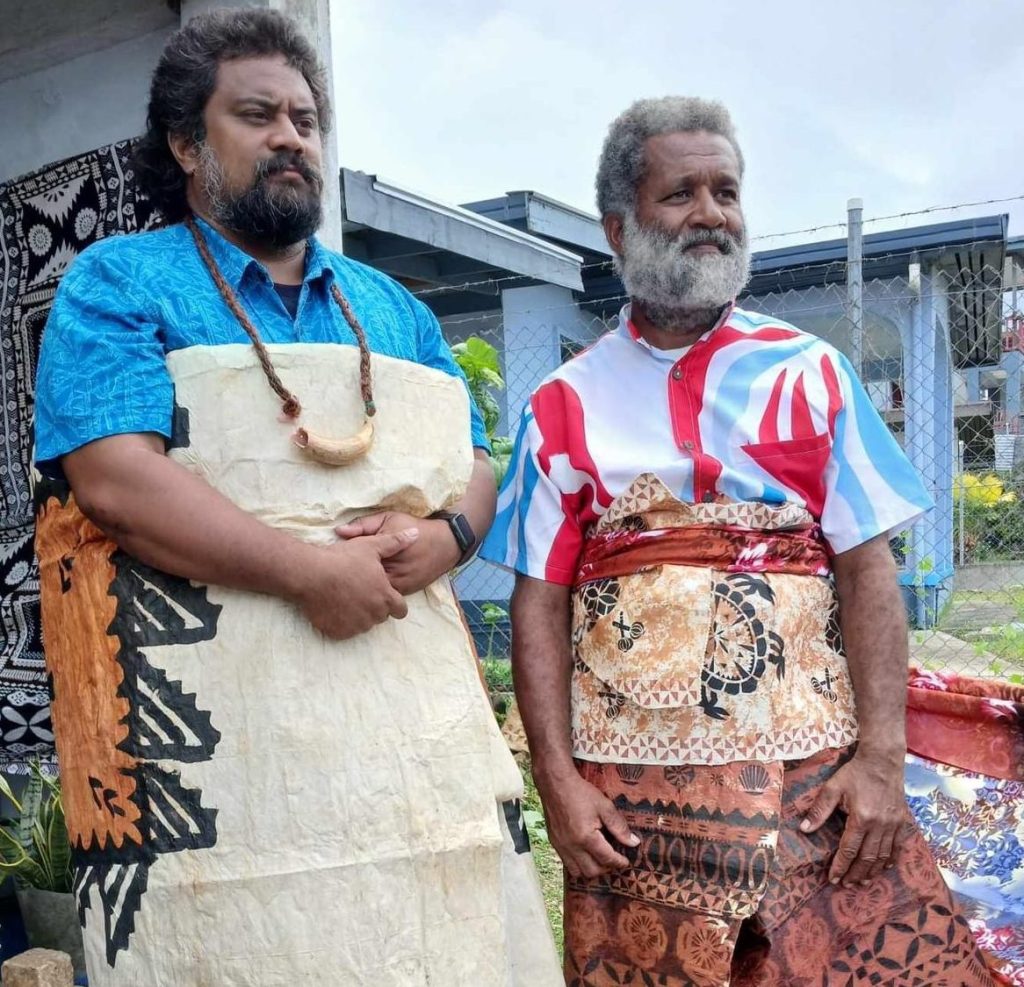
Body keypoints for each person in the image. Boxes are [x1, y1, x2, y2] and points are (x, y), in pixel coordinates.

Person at [32, 10, 562, 985]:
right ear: (188, 144)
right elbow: (113, 479)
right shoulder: (118, 283)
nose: (292, 137)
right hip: (216, 756)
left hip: (404, 730)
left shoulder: (392, 308)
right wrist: (308, 574)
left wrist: (447, 536)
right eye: (259, 115)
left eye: (307, 120)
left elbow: (475, 463)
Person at [481, 97, 998, 985]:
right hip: (631, 805)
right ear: (619, 225)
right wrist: (560, 786)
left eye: (727, 190)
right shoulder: (560, 405)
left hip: (816, 779)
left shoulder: (812, 373)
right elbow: (540, 598)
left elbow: (867, 568)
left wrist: (879, 759)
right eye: (681, 193)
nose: (713, 213)